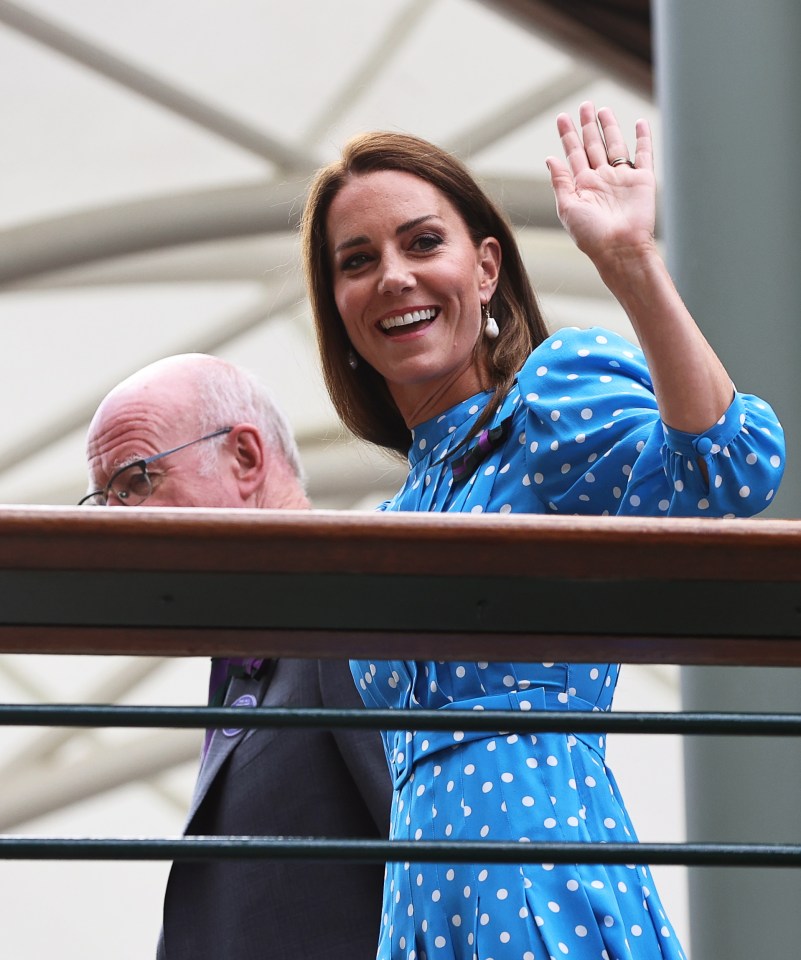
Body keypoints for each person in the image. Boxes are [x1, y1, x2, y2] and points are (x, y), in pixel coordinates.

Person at [300, 102, 786, 960]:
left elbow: (729, 464)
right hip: (420, 902)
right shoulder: (402, 512)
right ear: (337, 306)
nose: (393, 277)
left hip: (536, 874)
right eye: (357, 261)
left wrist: (628, 259)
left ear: (485, 267)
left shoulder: (547, 402)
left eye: (422, 244)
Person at [81, 353, 392, 960]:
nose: (116, 524)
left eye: (138, 481)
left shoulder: (348, 609)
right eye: (104, 500)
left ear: (245, 458)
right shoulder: (259, 646)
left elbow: (436, 868)